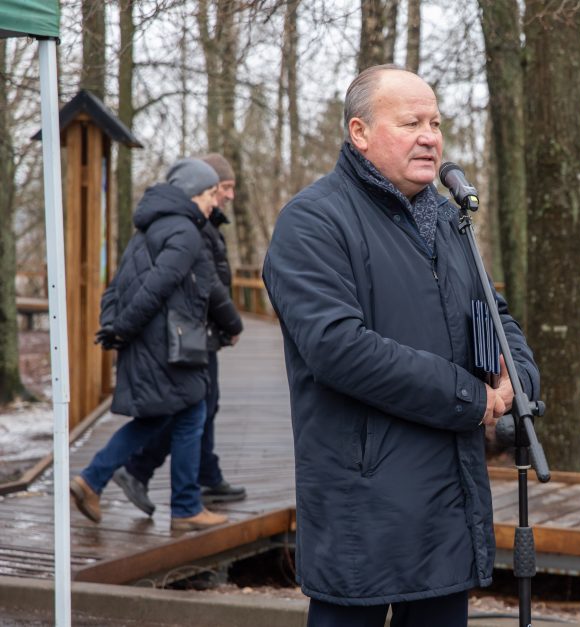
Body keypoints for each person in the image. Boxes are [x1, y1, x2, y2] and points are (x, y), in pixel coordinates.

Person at [262, 65, 540, 627]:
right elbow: (338, 348)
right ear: (360, 132)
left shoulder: (446, 219)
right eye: (410, 121)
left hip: (446, 503)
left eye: (435, 122)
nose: (429, 136)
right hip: (364, 507)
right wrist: (468, 396)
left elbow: (492, 312)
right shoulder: (313, 220)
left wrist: (518, 378)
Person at [69, 158, 243, 531]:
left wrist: (114, 325)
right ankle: (184, 507)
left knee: (165, 416)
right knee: (191, 412)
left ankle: (94, 479)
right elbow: (159, 287)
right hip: (170, 346)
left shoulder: (147, 230)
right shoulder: (185, 233)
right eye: (212, 193)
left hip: (152, 342)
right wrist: (123, 330)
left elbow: (116, 286)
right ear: (194, 192)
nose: (215, 202)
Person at [114, 154, 246, 517]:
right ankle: (136, 471)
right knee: (190, 406)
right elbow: (203, 283)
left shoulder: (205, 222)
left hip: (197, 328)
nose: (229, 195)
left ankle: (202, 475)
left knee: (201, 405)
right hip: (189, 330)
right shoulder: (194, 225)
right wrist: (231, 322)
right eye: (225, 188)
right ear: (207, 189)